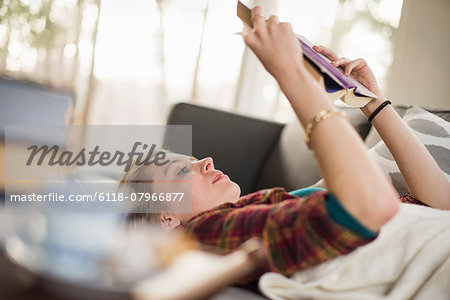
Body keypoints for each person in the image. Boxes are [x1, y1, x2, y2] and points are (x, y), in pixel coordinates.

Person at [119, 6, 450, 283]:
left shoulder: (259, 212)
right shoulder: (203, 235)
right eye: (181, 170)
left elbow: (440, 202)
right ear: (166, 220)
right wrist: (290, 74)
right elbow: (371, 208)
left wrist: (373, 104)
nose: (205, 160)